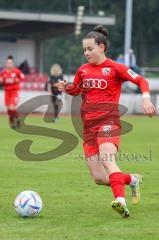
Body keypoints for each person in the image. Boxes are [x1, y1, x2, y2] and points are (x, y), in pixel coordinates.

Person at [57, 26, 156, 218]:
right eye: (84, 50)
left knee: (108, 159)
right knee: (99, 178)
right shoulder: (83, 70)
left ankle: (120, 202)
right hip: (88, 128)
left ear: (101, 47)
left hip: (108, 120)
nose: (86, 53)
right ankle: (133, 180)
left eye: (90, 49)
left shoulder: (115, 67)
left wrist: (145, 98)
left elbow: (142, 80)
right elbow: (77, 89)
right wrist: (67, 87)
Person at [0, 55, 25, 128]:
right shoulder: (3, 72)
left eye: (10, 63)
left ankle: (16, 121)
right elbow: (1, 80)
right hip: (7, 92)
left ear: (12, 64)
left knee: (12, 107)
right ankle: (15, 121)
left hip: (15, 91)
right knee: (8, 110)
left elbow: (23, 77)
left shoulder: (16, 71)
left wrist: (18, 80)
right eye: (7, 63)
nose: (9, 64)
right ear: (6, 64)